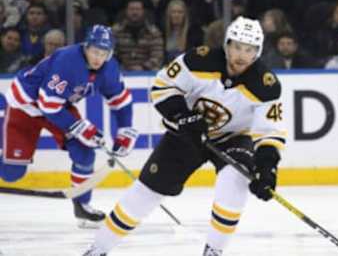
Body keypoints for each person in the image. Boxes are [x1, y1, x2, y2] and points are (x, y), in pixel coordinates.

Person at [83, 16, 286, 256]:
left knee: (235, 180)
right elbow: (162, 87)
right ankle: (98, 249)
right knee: (145, 192)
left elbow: (270, 132)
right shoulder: (198, 60)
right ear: (227, 44)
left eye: (249, 50)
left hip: (233, 138)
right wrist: (184, 116)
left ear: (257, 52)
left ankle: (214, 252)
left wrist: (267, 169)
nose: (242, 55)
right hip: (187, 134)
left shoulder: (266, 85)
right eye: (238, 47)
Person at [0, 25, 139, 228]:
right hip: (25, 106)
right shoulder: (68, 61)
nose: (98, 58)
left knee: (84, 152)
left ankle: (82, 207)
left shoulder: (109, 68)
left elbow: (121, 101)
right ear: (86, 47)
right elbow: (47, 104)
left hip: (59, 106)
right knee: (12, 174)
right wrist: (79, 126)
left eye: (103, 53)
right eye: (94, 51)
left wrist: (125, 129)